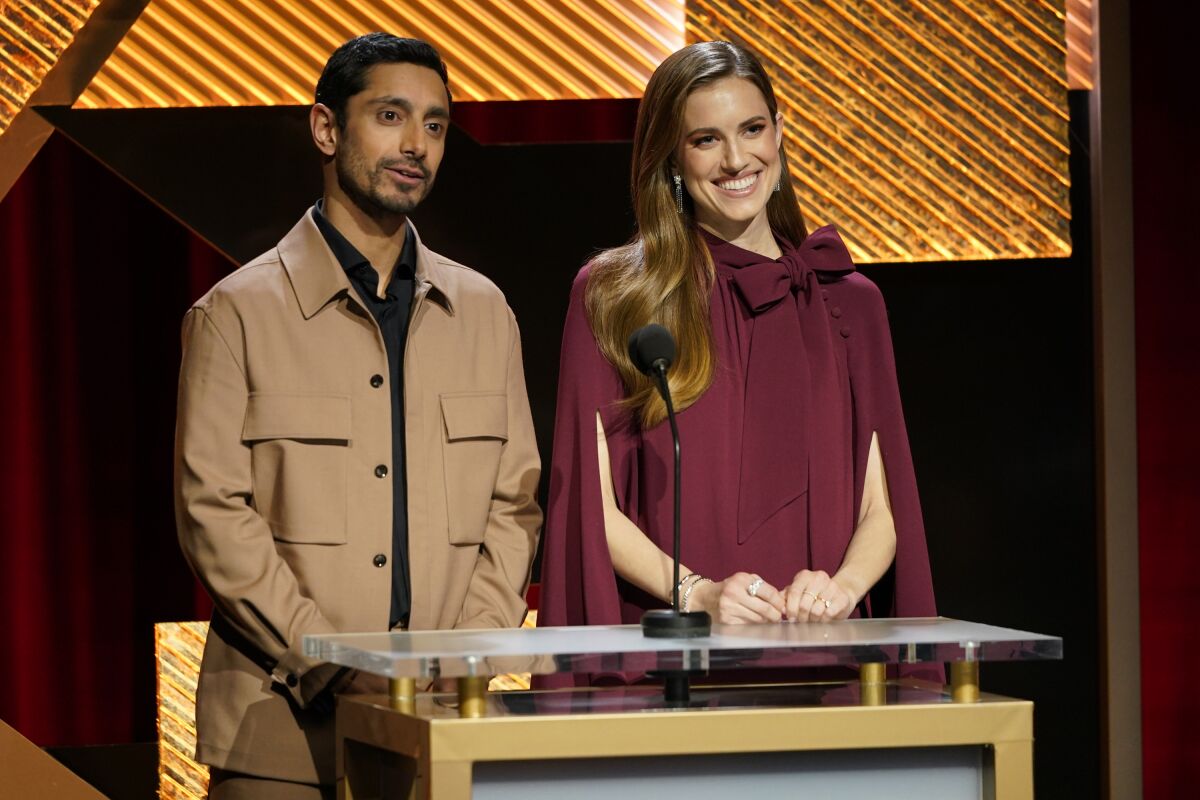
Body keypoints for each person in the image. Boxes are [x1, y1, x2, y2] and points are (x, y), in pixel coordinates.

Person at [174, 33, 541, 799]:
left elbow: (514, 506)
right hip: (277, 726)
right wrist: (332, 658)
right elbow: (213, 512)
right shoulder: (235, 314)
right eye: (390, 116)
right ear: (326, 128)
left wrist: (463, 657)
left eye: (435, 125)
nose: (416, 145)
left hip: (440, 720)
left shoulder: (485, 313)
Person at [539, 42, 934, 647]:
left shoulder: (851, 302)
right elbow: (589, 507)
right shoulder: (614, 294)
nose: (735, 160)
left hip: (824, 656)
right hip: (671, 657)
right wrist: (697, 594)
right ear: (673, 157)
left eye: (752, 129)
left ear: (780, 132)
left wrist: (841, 589)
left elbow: (883, 507)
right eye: (706, 140)